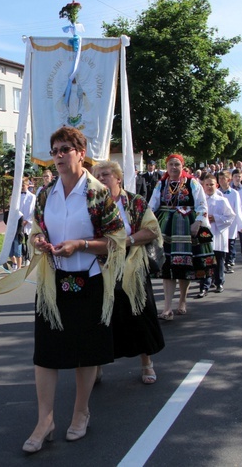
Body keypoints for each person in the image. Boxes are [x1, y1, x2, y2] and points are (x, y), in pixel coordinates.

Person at [22, 126, 126, 453]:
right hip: (53, 284)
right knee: (45, 354)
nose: (59, 156)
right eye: (55, 151)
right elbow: (37, 229)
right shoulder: (45, 194)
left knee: (86, 352)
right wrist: (37, 241)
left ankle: (81, 412)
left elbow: (115, 241)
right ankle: (45, 420)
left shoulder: (97, 194)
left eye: (66, 149)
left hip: (89, 280)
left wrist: (80, 245)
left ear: (81, 153)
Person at [92, 161, 164, 386]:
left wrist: (128, 240)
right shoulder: (91, 205)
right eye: (97, 176)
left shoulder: (135, 202)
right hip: (101, 266)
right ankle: (96, 366)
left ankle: (146, 363)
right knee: (101, 318)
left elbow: (152, 229)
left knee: (139, 313)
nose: (101, 178)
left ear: (118, 178)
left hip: (132, 264)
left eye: (105, 174)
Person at [148, 154, 213, 320]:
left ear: (182, 166)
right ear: (166, 166)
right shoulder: (161, 184)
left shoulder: (192, 183)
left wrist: (198, 222)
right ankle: (167, 308)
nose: (173, 167)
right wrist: (149, 221)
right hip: (167, 227)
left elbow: (201, 204)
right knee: (167, 265)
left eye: (177, 164)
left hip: (186, 226)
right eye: (170, 164)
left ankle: (182, 300)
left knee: (185, 265)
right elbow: (152, 205)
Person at [197, 173, 235, 297]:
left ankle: (219, 282)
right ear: (203, 186)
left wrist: (216, 218)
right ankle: (204, 286)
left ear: (216, 185)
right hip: (204, 234)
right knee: (205, 261)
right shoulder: (200, 201)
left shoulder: (222, 200)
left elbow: (230, 216)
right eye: (206, 184)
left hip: (218, 234)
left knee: (218, 260)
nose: (209, 187)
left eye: (211, 184)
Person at [217, 170, 242, 274]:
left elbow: (237, 209)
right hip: (220, 222)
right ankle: (222, 262)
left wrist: (241, 224)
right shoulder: (217, 192)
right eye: (219, 178)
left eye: (223, 179)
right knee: (221, 243)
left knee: (230, 243)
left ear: (228, 180)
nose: (220, 181)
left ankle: (229, 262)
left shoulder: (234, 193)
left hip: (231, 222)